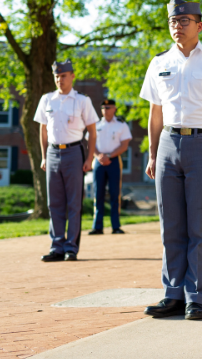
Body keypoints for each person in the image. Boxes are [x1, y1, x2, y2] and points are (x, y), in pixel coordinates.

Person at [140, 0, 202, 321]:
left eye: (184, 21)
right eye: (173, 21)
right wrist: (153, 152)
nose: (177, 27)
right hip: (168, 143)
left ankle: (195, 297)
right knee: (171, 226)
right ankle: (172, 294)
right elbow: (155, 114)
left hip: (201, 145)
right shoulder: (158, 63)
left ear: (199, 25)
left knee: (199, 227)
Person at [35, 60, 98, 262]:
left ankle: (71, 247)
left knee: (74, 203)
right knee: (54, 203)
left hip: (73, 152)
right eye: (56, 76)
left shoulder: (82, 100)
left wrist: (89, 158)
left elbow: (92, 132)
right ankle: (57, 246)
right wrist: (44, 156)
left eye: (63, 76)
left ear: (72, 76)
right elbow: (43, 130)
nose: (59, 80)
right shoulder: (47, 99)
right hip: (53, 153)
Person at [89, 99, 132, 235]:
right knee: (98, 194)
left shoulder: (121, 125)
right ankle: (97, 226)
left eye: (108, 107)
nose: (105, 110)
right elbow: (91, 143)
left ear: (114, 109)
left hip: (114, 161)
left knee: (115, 194)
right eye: (103, 107)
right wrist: (99, 156)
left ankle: (116, 226)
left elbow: (124, 145)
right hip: (99, 161)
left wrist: (110, 156)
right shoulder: (95, 125)